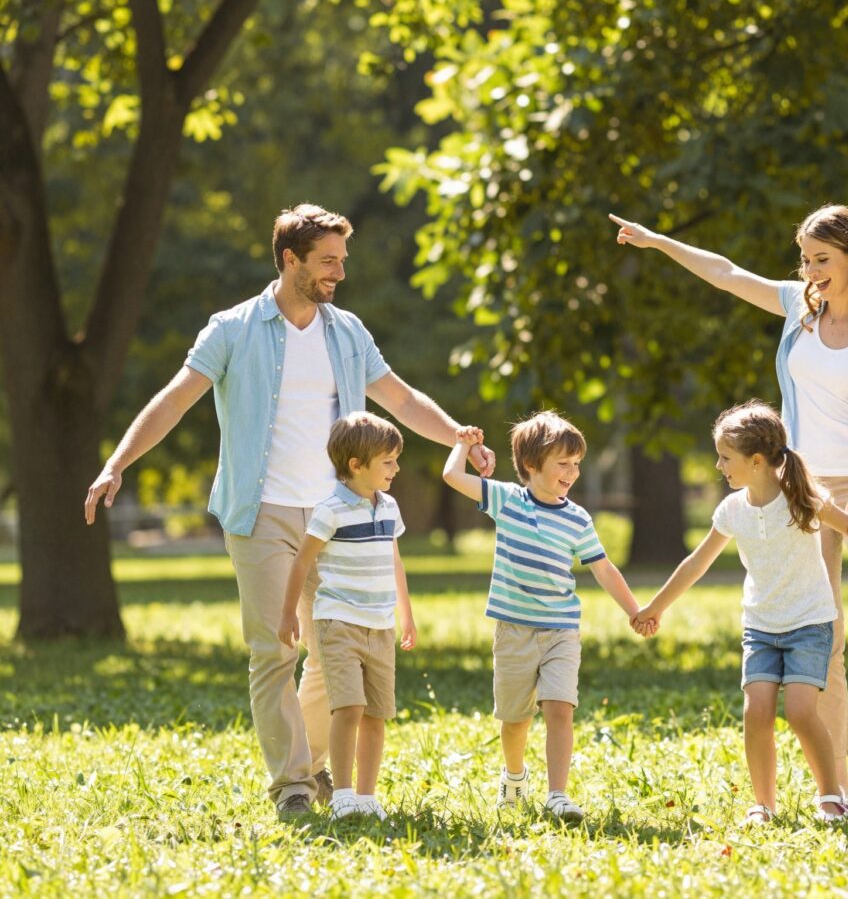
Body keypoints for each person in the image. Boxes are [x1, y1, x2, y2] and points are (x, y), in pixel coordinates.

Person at [83, 204, 496, 820]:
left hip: (337, 515)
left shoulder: (347, 332)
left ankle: (308, 765)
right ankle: (293, 786)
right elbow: (174, 400)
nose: (339, 273)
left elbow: (402, 399)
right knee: (273, 650)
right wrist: (117, 462)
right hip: (263, 514)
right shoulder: (232, 329)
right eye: (327, 261)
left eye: (342, 261)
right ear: (289, 260)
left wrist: (457, 435)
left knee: (338, 649)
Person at [610, 205, 848, 803]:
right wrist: (659, 241)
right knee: (826, 631)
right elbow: (727, 274)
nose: (810, 270)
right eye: (805, 260)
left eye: (822, 259)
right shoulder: (800, 307)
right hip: (804, 490)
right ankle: (836, 781)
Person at [634, 401, 848, 825]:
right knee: (756, 711)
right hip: (760, 627)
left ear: (756, 461)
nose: (718, 466)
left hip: (808, 624)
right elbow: (696, 563)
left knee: (799, 711)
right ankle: (764, 804)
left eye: (725, 457)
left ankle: (831, 796)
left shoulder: (803, 500)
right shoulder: (732, 510)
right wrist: (655, 607)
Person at [442, 412, 648, 823]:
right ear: (531, 465)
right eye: (563, 463)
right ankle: (514, 776)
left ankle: (557, 794)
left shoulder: (577, 519)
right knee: (515, 720)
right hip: (514, 630)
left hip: (560, 630)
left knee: (560, 709)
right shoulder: (506, 500)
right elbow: (452, 476)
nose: (572, 472)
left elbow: (603, 568)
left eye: (577, 463)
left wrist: (634, 610)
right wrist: (463, 444)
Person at [277, 412, 415, 821]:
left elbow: (395, 561)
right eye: (388, 461)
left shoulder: (389, 507)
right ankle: (342, 796)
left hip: (380, 626)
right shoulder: (330, 510)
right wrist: (288, 614)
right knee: (349, 708)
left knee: (376, 713)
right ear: (356, 465)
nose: (396, 468)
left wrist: (406, 616)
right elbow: (302, 562)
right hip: (338, 623)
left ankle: (367, 798)